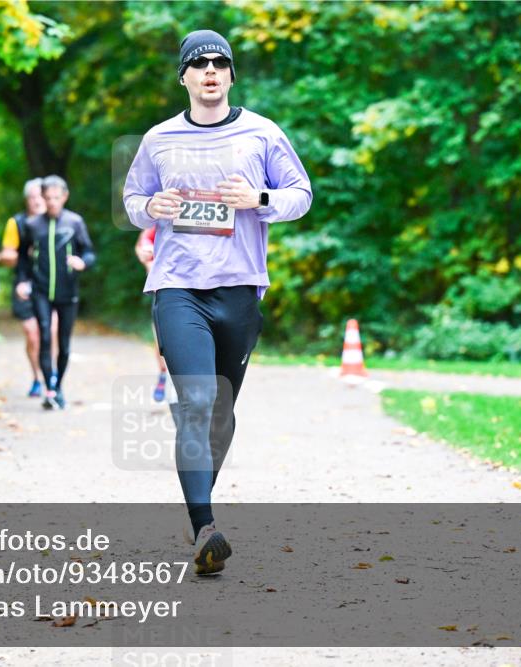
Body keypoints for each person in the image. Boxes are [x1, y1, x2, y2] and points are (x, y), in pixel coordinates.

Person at [123, 29, 312, 575]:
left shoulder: (262, 133)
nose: (209, 71)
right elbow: (134, 201)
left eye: (219, 63)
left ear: (230, 75)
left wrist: (260, 199)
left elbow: (300, 193)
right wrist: (150, 206)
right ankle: (204, 527)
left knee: (221, 415)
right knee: (197, 403)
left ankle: (201, 506)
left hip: (240, 288)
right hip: (178, 287)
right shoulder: (158, 139)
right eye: (198, 63)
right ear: (183, 76)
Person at [16, 175, 96, 410]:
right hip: (40, 291)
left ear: (64, 197)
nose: (51, 202)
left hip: (67, 291)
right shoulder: (33, 225)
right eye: (47, 198)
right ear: (42, 197)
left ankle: (58, 385)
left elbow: (90, 252)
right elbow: (22, 257)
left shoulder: (75, 222)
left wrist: (83, 262)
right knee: (44, 335)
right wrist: (22, 281)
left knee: (63, 343)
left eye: (56, 198)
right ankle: (49, 388)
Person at [1, 179, 58, 397]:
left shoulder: (59, 221)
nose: (37, 201)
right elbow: (7, 254)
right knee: (32, 334)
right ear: (27, 200)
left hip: (51, 284)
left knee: (51, 331)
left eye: (40, 196)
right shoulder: (16, 223)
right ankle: (37, 377)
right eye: (32, 197)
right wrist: (9, 256)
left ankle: (50, 374)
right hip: (24, 284)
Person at [135, 227, 168, 402]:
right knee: (160, 339)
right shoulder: (164, 217)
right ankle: (163, 374)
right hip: (162, 288)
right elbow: (142, 242)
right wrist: (148, 262)